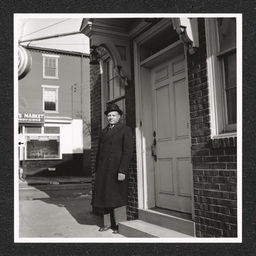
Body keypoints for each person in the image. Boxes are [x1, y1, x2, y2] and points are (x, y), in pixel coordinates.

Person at [91, 104, 134, 234]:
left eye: (113, 115)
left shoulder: (125, 130)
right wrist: (96, 170)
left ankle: (119, 225)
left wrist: (122, 170)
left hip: (117, 170)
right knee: (105, 196)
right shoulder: (104, 132)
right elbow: (99, 153)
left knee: (117, 197)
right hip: (104, 170)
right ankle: (107, 224)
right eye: (109, 115)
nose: (111, 117)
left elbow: (127, 152)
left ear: (119, 116)